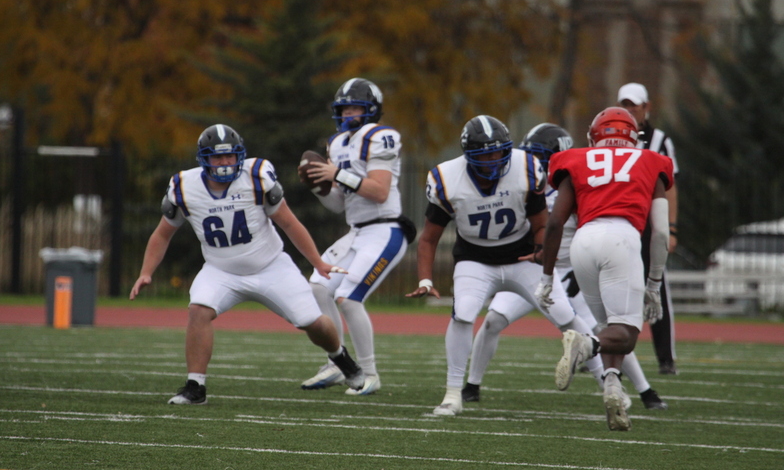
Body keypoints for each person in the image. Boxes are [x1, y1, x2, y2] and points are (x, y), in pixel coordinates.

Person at [130, 123, 365, 404]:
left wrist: (318, 262)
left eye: (229, 155)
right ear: (204, 159)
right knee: (198, 309)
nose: (225, 162)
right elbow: (162, 234)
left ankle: (340, 357)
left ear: (239, 155)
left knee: (311, 322)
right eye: (217, 157)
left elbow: (290, 223)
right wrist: (146, 272)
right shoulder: (184, 187)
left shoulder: (256, 177)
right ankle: (195, 387)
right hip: (221, 271)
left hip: (271, 266)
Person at [463, 123, 668, 411]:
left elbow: (581, 229)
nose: (536, 161)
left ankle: (642, 390)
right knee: (493, 320)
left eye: (541, 155)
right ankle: (471, 385)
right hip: (533, 269)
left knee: (603, 328)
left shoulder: (577, 181)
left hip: (572, 271)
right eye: (531, 155)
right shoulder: (523, 185)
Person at [407, 114, 576, 417]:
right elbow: (429, 239)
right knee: (463, 313)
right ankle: (453, 394)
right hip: (475, 259)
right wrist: (425, 280)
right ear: (469, 154)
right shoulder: (448, 180)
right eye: (485, 154)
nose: (494, 160)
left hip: (522, 258)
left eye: (499, 152)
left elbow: (541, 224)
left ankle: (610, 381)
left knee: (565, 314)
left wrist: (540, 251)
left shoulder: (525, 168)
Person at [535, 107, 674, 431]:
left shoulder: (576, 159)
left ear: (593, 136)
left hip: (584, 242)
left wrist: (546, 276)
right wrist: (654, 283)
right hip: (621, 240)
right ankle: (586, 345)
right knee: (625, 335)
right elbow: (661, 233)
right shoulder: (652, 161)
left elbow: (554, 223)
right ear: (634, 137)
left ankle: (612, 385)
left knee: (609, 326)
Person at [299, 78, 413, 396]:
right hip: (357, 231)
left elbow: (378, 192)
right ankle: (337, 363)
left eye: (355, 108)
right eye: (344, 108)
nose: (348, 113)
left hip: (385, 229)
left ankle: (370, 374)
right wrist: (319, 188)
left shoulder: (381, 136)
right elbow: (339, 204)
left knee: (348, 298)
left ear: (371, 110)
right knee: (318, 287)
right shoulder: (336, 143)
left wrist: (336, 174)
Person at [617, 82, 680, 375]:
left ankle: (666, 358)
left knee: (656, 288)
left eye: (634, 105)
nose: (630, 110)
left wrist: (671, 227)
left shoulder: (660, 141)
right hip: (619, 222)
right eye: (625, 105)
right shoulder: (609, 136)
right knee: (609, 285)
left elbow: (670, 187)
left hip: (648, 226)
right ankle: (600, 350)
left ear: (647, 107)